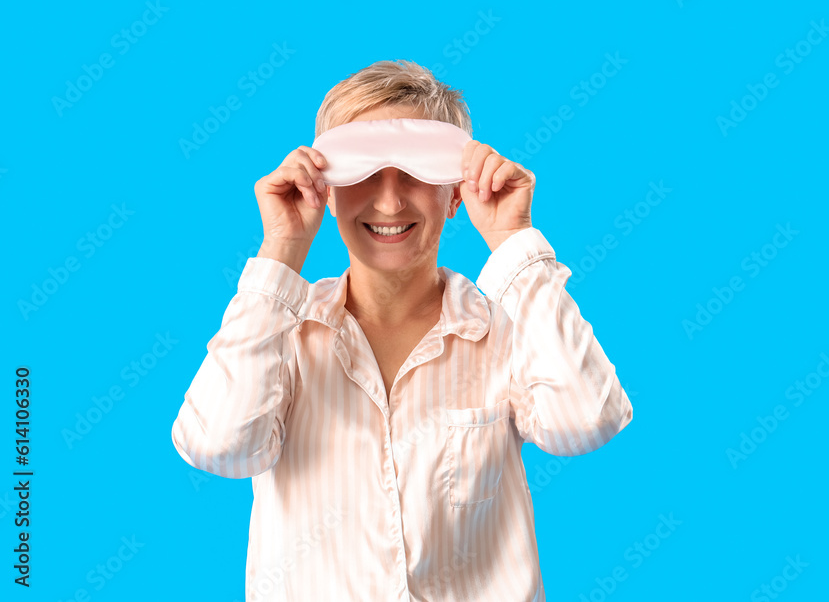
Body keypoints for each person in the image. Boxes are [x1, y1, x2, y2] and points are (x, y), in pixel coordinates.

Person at [170, 60, 634, 601]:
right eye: (363, 171)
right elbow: (220, 448)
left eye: (415, 172)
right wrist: (282, 250)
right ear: (328, 187)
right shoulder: (279, 335)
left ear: (456, 192)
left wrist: (513, 238)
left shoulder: (510, 332)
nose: (389, 202)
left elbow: (585, 424)